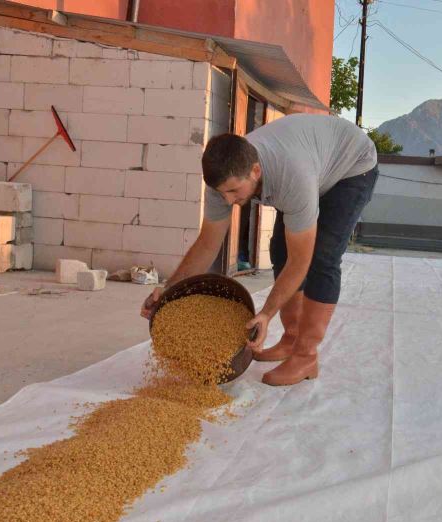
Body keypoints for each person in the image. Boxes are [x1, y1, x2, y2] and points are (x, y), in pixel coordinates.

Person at [141, 114, 378, 387]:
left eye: (233, 191)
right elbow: (208, 243)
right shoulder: (222, 182)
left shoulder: (292, 177)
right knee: (279, 251)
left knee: (322, 258)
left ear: (255, 171)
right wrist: (169, 290)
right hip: (314, 159)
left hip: (352, 166)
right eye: (222, 193)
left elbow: (302, 260)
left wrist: (266, 313)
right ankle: (290, 340)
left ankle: (306, 356)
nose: (229, 200)